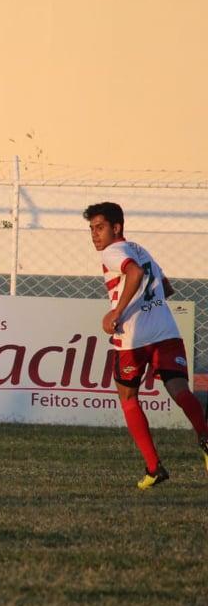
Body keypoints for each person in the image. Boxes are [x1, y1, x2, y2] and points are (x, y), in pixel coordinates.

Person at [84, 202, 208, 489]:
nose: (94, 235)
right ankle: (204, 436)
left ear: (117, 228)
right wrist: (149, 304)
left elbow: (135, 274)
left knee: (128, 398)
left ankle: (154, 468)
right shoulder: (141, 249)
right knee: (179, 390)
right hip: (166, 329)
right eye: (91, 229)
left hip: (134, 337)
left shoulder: (112, 252)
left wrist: (117, 313)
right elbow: (165, 287)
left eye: (100, 227)